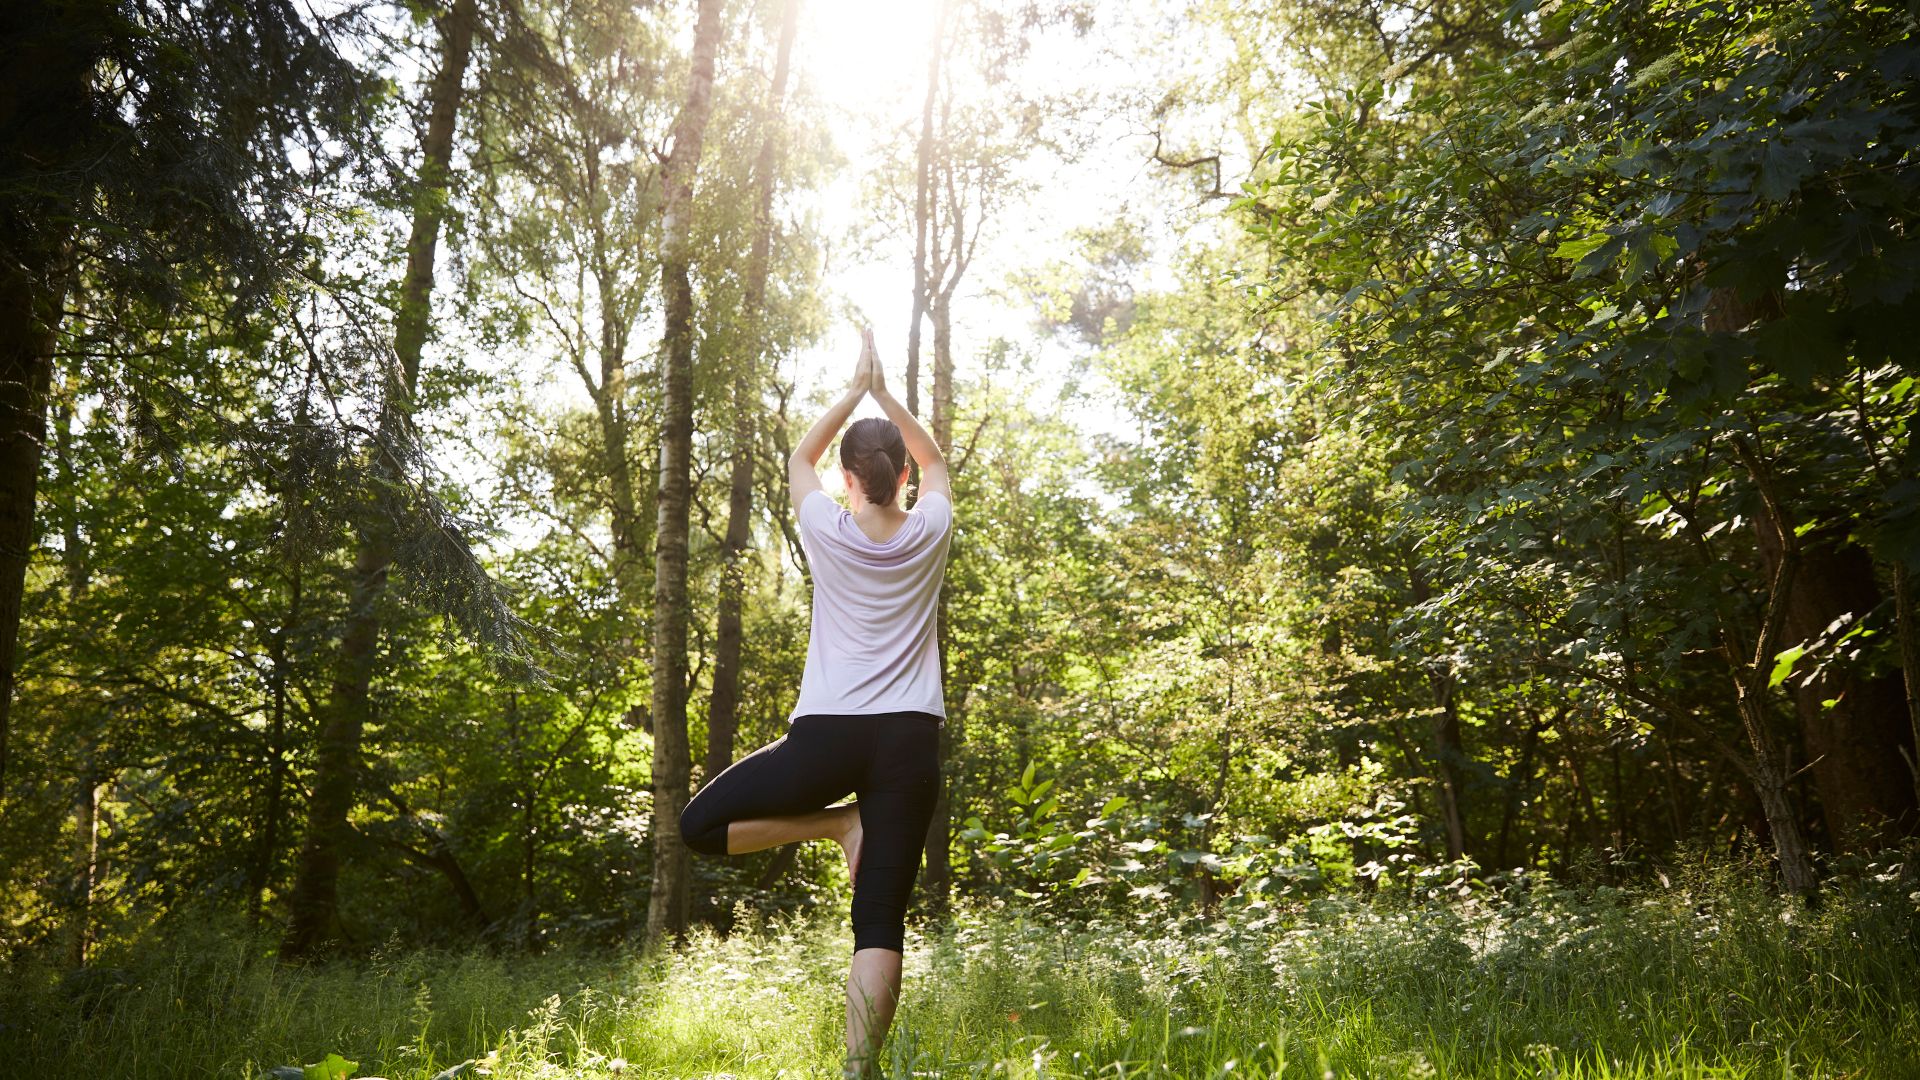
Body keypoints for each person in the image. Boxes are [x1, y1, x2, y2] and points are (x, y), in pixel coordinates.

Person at [678, 326, 952, 1079]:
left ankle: (836, 823)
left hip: (828, 736)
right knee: (879, 921)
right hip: (909, 742)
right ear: (902, 475)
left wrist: (855, 391)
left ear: (847, 476)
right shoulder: (930, 527)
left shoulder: (827, 528)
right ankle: (860, 1072)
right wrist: (887, 395)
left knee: (698, 827)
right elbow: (937, 462)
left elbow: (798, 459)